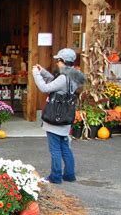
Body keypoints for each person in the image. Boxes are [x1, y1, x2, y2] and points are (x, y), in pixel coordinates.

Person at [32, 48, 85, 184]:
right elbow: (55, 83)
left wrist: (36, 74)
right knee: (65, 148)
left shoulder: (63, 77)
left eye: (58, 60)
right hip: (65, 116)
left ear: (63, 61)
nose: (57, 63)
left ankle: (55, 176)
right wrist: (43, 71)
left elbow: (45, 88)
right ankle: (69, 174)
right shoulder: (74, 76)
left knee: (55, 149)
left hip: (55, 117)